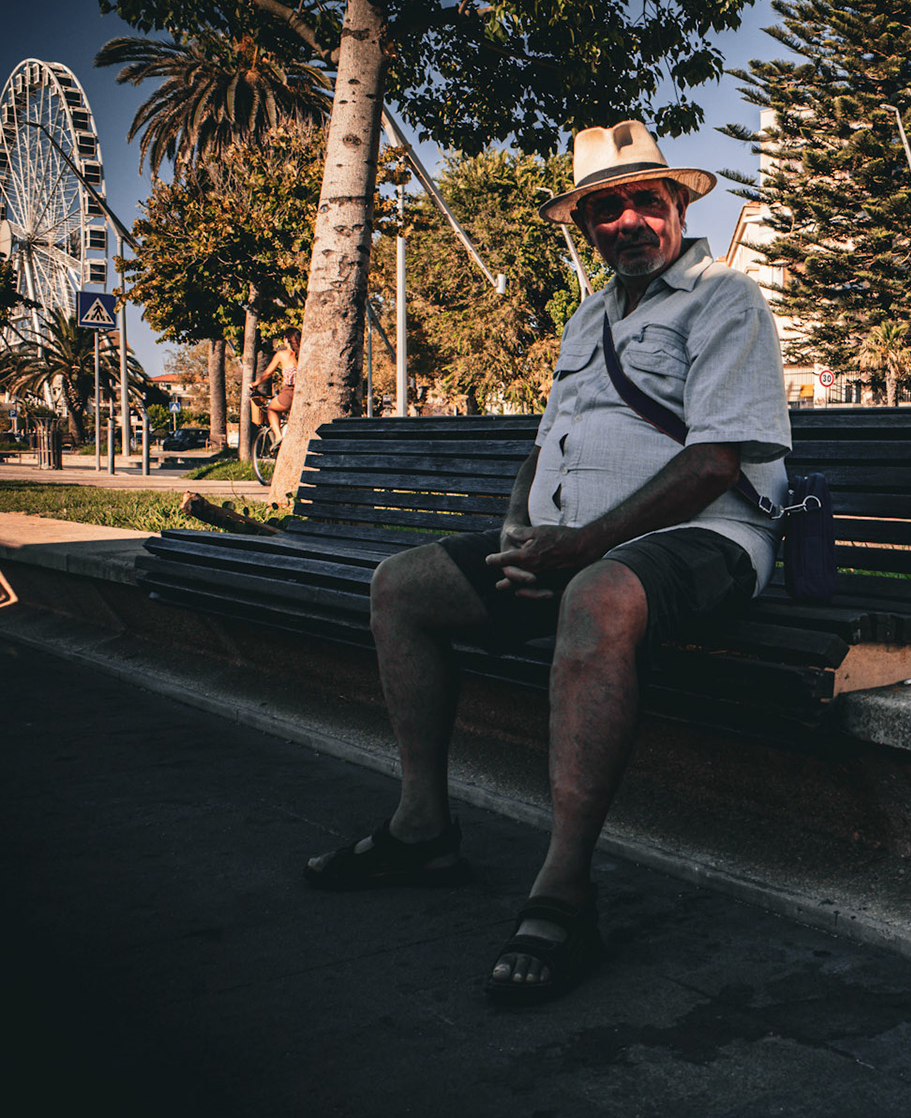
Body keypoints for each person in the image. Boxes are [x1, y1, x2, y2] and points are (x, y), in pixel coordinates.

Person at [302, 121, 791, 1005]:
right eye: (607, 209)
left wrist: (582, 547)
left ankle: (563, 887)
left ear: (678, 204)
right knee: (401, 587)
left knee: (596, 600)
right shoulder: (587, 317)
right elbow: (546, 446)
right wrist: (518, 536)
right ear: (585, 227)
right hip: (575, 546)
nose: (630, 220)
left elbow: (718, 460)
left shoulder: (725, 300)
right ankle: (422, 828)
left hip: (711, 541)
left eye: (648, 199)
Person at [251, 329, 301, 438]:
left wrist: (255, 383)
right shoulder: (303, 354)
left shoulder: (282, 355)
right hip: (302, 392)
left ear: (287, 340)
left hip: (289, 392)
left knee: (271, 409)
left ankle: (278, 437)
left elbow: (267, 374)